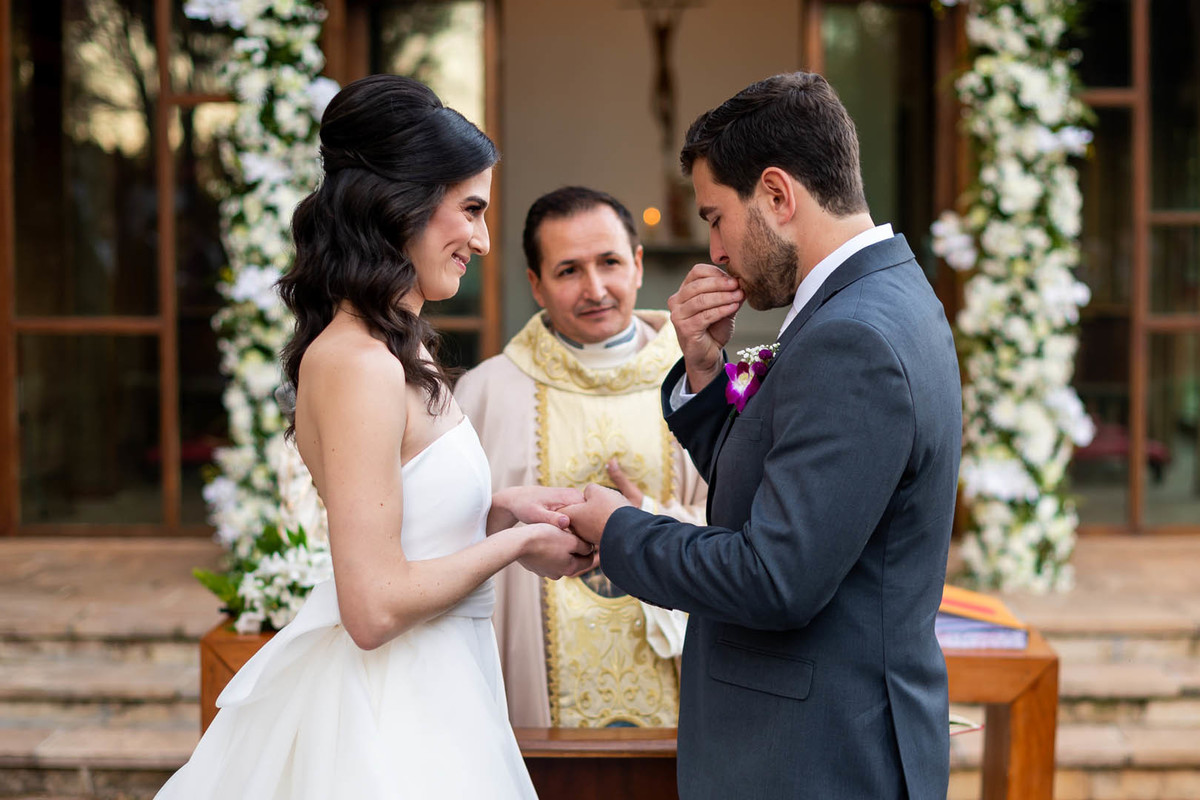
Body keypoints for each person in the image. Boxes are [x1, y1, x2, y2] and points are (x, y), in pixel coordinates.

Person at [155, 75, 597, 800]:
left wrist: (502, 511)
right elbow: (373, 606)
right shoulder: (356, 363)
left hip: (446, 687)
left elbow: (408, 525)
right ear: (402, 205)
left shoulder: (399, 344)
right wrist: (518, 545)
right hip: (392, 713)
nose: (483, 240)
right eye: (471, 210)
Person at [563, 72, 962, 799]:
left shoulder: (852, 336)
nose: (715, 250)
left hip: (814, 758)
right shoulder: (883, 296)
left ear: (777, 195)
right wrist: (705, 371)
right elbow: (774, 479)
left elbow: (774, 578)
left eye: (716, 218)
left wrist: (620, 530)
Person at [454, 186, 706, 728]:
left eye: (609, 262)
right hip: (535, 689)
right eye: (568, 270)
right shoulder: (486, 394)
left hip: (683, 687)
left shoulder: (698, 382)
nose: (595, 289)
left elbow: (747, 530)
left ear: (637, 265)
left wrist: (650, 521)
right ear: (535, 285)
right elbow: (451, 535)